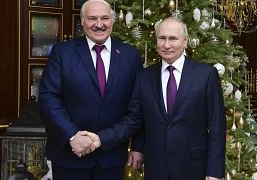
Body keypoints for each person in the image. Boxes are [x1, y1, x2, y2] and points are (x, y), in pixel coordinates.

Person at [86, 17, 227, 179]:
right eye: (162, 38)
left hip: (194, 166)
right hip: (156, 167)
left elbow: (217, 127)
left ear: (185, 41)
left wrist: (214, 171)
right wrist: (102, 138)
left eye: (173, 38)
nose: (167, 45)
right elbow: (135, 119)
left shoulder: (206, 75)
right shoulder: (144, 77)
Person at [38, 0, 144, 179]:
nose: (99, 24)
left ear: (112, 20)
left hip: (112, 156)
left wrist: (134, 146)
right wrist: (72, 136)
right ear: (82, 21)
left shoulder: (130, 56)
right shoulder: (62, 53)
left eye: (104, 18)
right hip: (69, 157)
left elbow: (137, 108)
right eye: (92, 18)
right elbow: (49, 99)